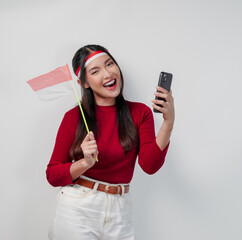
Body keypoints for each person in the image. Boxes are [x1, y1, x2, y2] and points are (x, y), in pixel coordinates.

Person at [46, 44, 175, 240]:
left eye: (109, 64)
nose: (107, 74)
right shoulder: (73, 118)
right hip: (78, 209)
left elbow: (149, 165)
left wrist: (168, 122)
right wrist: (84, 163)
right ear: (85, 83)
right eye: (96, 71)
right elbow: (52, 175)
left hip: (121, 210)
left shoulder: (140, 113)